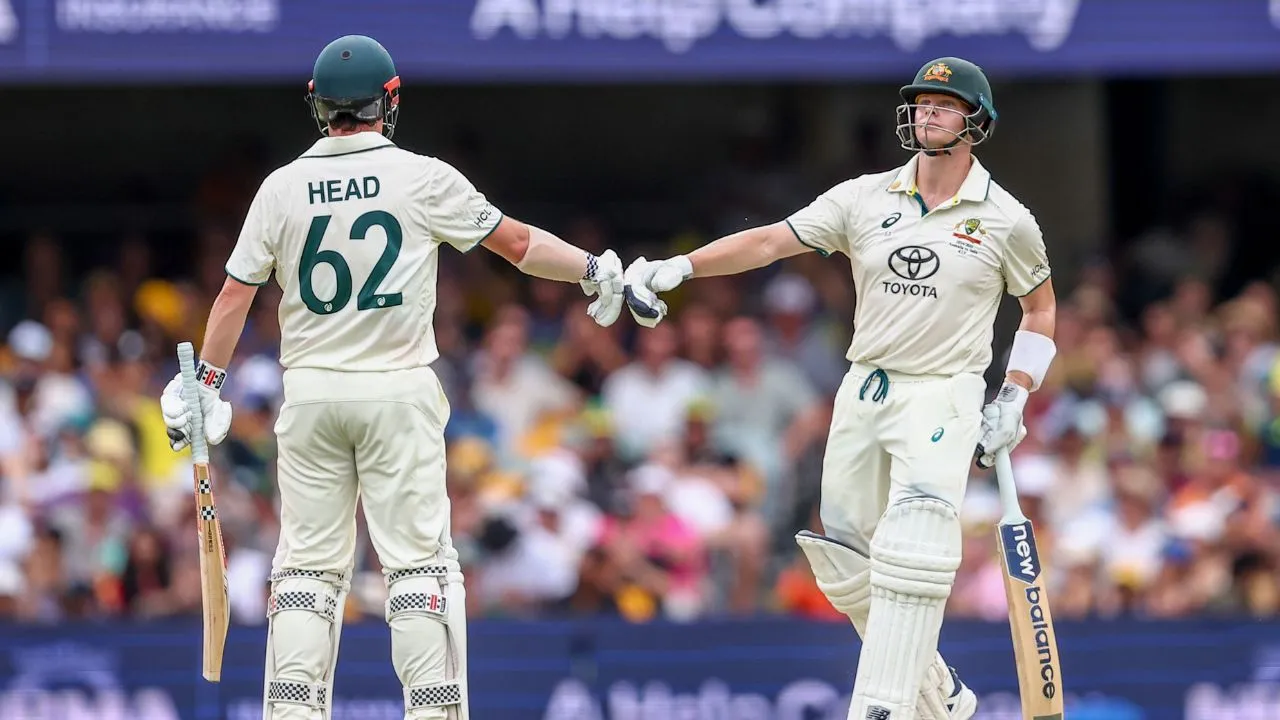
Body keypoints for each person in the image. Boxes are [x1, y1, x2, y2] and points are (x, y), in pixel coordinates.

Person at [159, 35, 624, 720]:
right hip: (398, 392)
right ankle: (432, 710)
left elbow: (234, 297)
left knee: (308, 573)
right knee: (416, 568)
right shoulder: (422, 177)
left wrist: (207, 384)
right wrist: (594, 268)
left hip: (312, 394)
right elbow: (520, 246)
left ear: (317, 106)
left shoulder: (281, 187)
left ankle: (292, 711)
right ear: (392, 98)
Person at [623, 57, 1057, 720]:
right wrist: (682, 266)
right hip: (865, 387)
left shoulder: (1007, 220)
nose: (927, 113)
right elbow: (770, 242)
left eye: (944, 104)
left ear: (977, 122)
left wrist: (1016, 393)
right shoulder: (863, 197)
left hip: (943, 391)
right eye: (921, 103)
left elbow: (1041, 310)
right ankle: (936, 692)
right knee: (845, 553)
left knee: (915, 539)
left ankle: (879, 707)